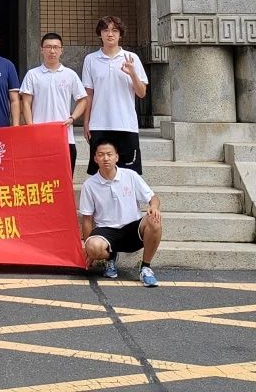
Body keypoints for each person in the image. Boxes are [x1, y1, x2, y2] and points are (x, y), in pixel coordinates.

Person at [78, 140, 162, 287]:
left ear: (116, 157)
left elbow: (153, 198)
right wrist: (88, 250)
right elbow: (87, 219)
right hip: (106, 231)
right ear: (95, 158)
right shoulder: (89, 185)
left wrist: (154, 207)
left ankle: (145, 268)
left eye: (109, 154)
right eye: (101, 155)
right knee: (93, 246)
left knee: (154, 220)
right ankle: (110, 257)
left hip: (132, 228)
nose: (105, 158)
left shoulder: (130, 175)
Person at [82, 16, 148, 175]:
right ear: (100, 34)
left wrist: (132, 73)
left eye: (115, 30)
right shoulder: (91, 60)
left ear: (120, 34)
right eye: (105, 30)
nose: (110, 34)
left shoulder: (131, 58)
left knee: (129, 173)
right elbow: (88, 94)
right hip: (99, 125)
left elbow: (141, 93)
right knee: (99, 174)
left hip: (126, 124)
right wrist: (86, 122)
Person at [19, 32, 87, 172]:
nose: (52, 51)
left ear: (62, 50)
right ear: (41, 50)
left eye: (56, 47)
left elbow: (82, 100)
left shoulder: (70, 74)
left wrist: (72, 118)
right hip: (39, 136)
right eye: (48, 47)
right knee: (40, 177)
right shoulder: (32, 74)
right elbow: (25, 103)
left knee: (65, 177)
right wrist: (30, 126)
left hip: (64, 136)